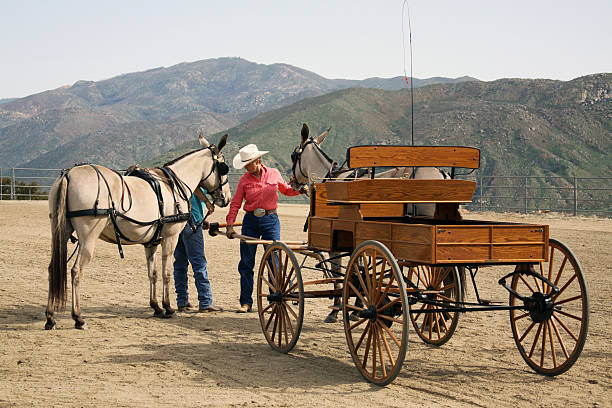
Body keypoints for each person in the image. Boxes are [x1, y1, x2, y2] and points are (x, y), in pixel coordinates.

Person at [225, 144, 307, 313]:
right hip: (250, 222)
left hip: (271, 220)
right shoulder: (244, 181)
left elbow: (286, 190)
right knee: (246, 263)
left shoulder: (274, 174)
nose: (247, 167)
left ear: (258, 161)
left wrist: (299, 191)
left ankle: (274, 299)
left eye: (249, 164)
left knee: (273, 262)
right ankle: (246, 302)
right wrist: (230, 224)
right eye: (245, 165)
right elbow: (235, 203)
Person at [173, 187, 223, 313]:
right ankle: (205, 301)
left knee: (180, 263)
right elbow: (194, 190)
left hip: (177, 221)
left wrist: (203, 219)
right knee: (199, 262)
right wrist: (206, 202)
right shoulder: (196, 179)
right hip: (192, 221)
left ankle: (182, 301)